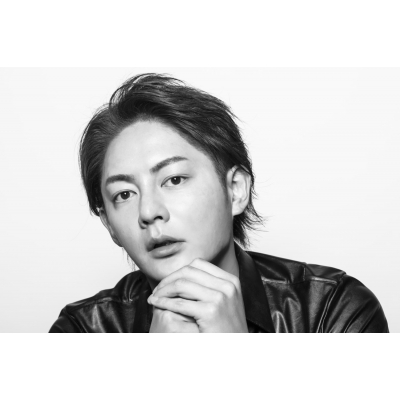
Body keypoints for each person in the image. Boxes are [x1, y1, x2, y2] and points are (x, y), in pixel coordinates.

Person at [49, 73, 389, 333]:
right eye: (124, 194)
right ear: (108, 223)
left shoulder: (332, 309)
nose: (149, 212)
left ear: (236, 190)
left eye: (174, 180)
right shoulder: (82, 330)